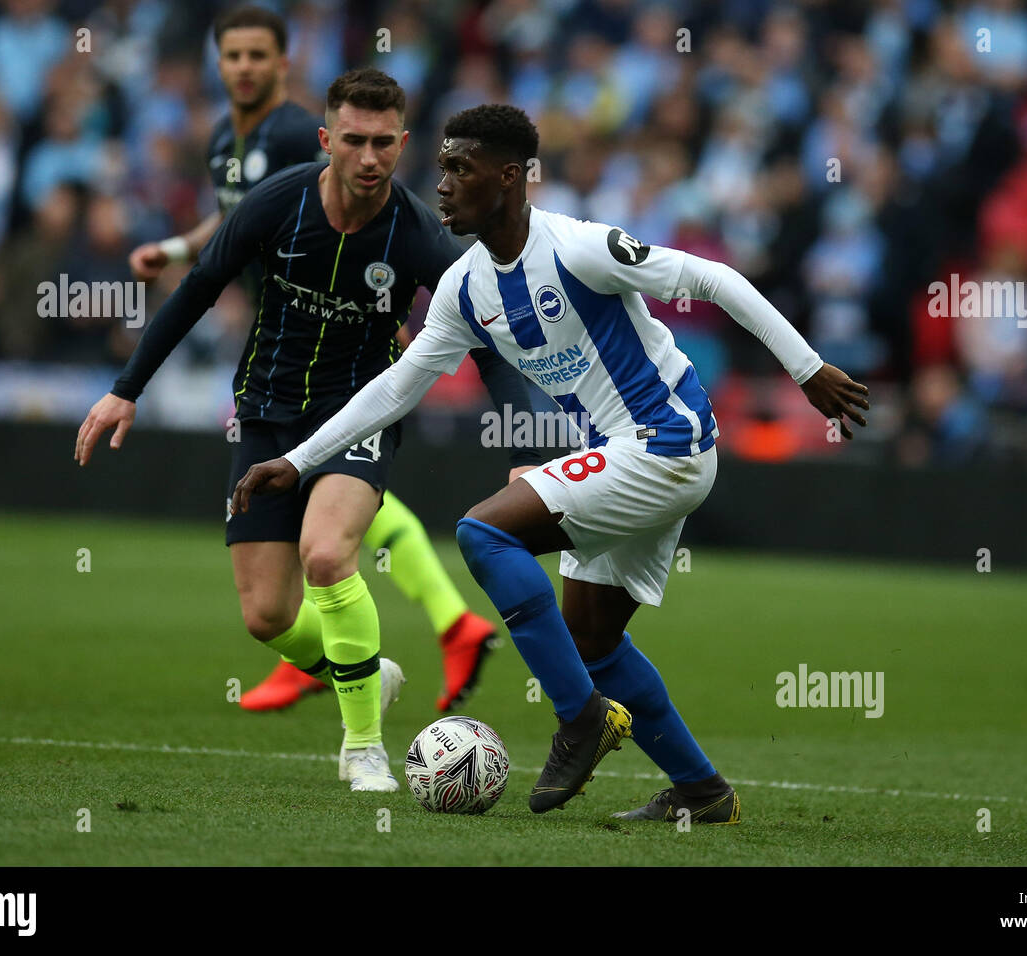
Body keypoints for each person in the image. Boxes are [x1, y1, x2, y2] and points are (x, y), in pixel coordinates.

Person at [232, 105, 870, 820]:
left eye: (460, 169)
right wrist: (299, 459)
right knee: (593, 640)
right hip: (626, 455)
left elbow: (715, 280)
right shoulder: (466, 287)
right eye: (441, 168)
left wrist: (808, 369)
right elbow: (396, 385)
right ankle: (702, 791)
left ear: (508, 177)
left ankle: (582, 720)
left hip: (667, 442)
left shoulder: (580, 247)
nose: (441, 184)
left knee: (483, 533)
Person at [76, 71, 538, 792]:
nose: (369, 157)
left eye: (384, 143)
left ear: (404, 144)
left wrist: (523, 454)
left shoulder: (419, 234)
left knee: (327, 556)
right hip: (265, 413)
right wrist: (124, 391)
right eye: (353, 140)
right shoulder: (277, 203)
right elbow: (199, 288)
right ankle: (363, 672)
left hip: (361, 414)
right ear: (327, 141)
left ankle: (363, 749)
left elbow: (491, 344)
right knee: (266, 617)